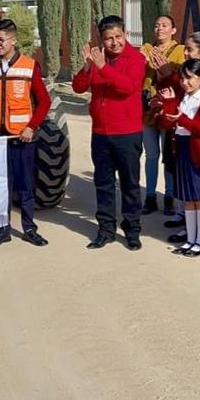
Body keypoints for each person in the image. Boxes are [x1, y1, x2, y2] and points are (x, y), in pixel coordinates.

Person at [0, 19, 51, 247]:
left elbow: (44, 102)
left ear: (13, 41)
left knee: (25, 185)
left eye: (1, 40)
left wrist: (31, 127)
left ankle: (29, 228)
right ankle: (2, 229)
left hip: (21, 137)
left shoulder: (29, 66)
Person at [73, 15, 146, 251]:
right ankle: (105, 229)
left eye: (118, 37)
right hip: (101, 133)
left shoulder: (136, 58)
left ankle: (132, 230)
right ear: (101, 40)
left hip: (127, 133)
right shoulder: (97, 60)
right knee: (103, 183)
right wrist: (87, 66)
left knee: (130, 184)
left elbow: (128, 87)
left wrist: (103, 67)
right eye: (108, 38)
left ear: (125, 34)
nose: (114, 42)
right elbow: (78, 87)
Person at [157, 59, 200, 257]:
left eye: (190, 78)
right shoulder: (184, 97)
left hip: (199, 153)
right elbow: (170, 120)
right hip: (183, 149)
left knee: (199, 199)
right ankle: (190, 239)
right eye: (183, 78)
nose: (185, 82)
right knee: (187, 198)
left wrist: (181, 118)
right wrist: (168, 103)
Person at [140, 15, 185, 216]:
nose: (160, 29)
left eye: (165, 25)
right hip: (148, 109)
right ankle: (150, 196)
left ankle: (170, 196)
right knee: (151, 155)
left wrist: (163, 68)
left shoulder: (180, 51)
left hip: (168, 109)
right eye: (157, 25)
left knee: (168, 156)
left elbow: (180, 77)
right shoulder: (146, 49)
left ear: (173, 30)